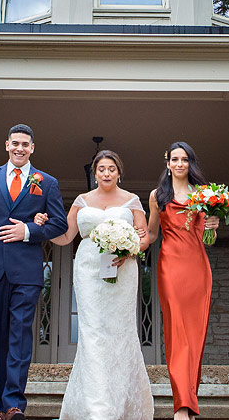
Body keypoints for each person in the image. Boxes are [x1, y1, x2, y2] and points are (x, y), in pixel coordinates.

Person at [0, 124, 68, 420]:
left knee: (20, 336)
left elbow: (59, 224)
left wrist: (29, 230)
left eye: (25, 144)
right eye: (15, 144)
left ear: (32, 148)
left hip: (26, 272)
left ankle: (13, 404)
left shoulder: (45, 182)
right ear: (6, 145)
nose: (20, 148)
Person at [44, 150, 154, 420]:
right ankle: (97, 407)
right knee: (92, 332)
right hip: (89, 270)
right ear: (94, 173)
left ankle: (122, 403)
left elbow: (144, 238)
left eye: (111, 168)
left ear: (119, 172)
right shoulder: (82, 201)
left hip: (122, 269)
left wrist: (128, 251)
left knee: (120, 331)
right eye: (101, 168)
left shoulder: (132, 201)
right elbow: (67, 235)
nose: (106, 173)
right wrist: (44, 227)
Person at [145, 141, 219, 420]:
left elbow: (209, 241)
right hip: (170, 267)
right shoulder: (157, 195)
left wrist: (214, 226)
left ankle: (190, 398)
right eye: (174, 159)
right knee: (176, 335)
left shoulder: (205, 194)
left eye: (184, 159)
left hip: (198, 267)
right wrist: (126, 246)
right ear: (167, 163)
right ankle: (182, 405)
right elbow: (151, 235)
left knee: (195, 336)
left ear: (191, 163)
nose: (179, 164)